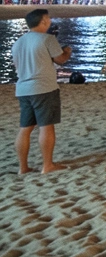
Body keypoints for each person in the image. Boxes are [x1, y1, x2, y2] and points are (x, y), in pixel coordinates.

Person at [13, 9, 72, 173]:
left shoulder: (18, 42)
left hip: (23, 89)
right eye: (48, 18)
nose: (50, 21)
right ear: (43, 21)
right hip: (43, 87)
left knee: (25, 128)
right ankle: (48, 165)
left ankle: (23, 167)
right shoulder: (48, 39)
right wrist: (67, 52)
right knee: (46, 126)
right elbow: (60, 59)